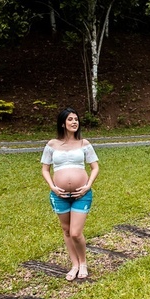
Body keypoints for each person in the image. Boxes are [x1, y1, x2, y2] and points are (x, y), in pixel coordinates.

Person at [41, 107, 99, 281]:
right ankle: (74, 264)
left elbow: (95, 167)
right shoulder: (52, 145)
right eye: (70, 119)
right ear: (63, 123)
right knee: (66, 231)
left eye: (76, 119)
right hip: (59, 195)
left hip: (82, 194)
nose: (74, 122)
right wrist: (52, 186)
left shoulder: (84, 144)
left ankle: (83, 263)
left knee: (75, 232)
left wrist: (88, 185)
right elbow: (45, 169)